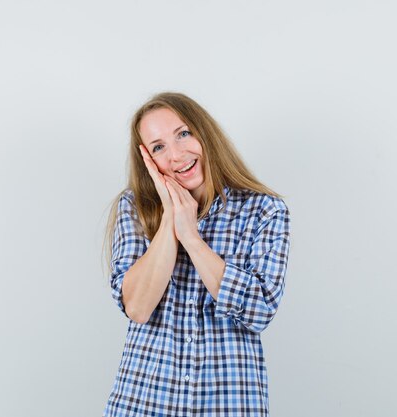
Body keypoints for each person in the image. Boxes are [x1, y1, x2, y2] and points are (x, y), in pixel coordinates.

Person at [102, 91, 291, 417]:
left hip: (228, 404)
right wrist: (170, 221)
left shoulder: (265, 210)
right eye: (159, 147)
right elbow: (137, 307)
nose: (176, 155)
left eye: (183, 134)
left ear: (205, 133)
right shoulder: (134, 209)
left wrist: (191, 237)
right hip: (144, 402)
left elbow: (259, 310)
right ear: (148, 161)